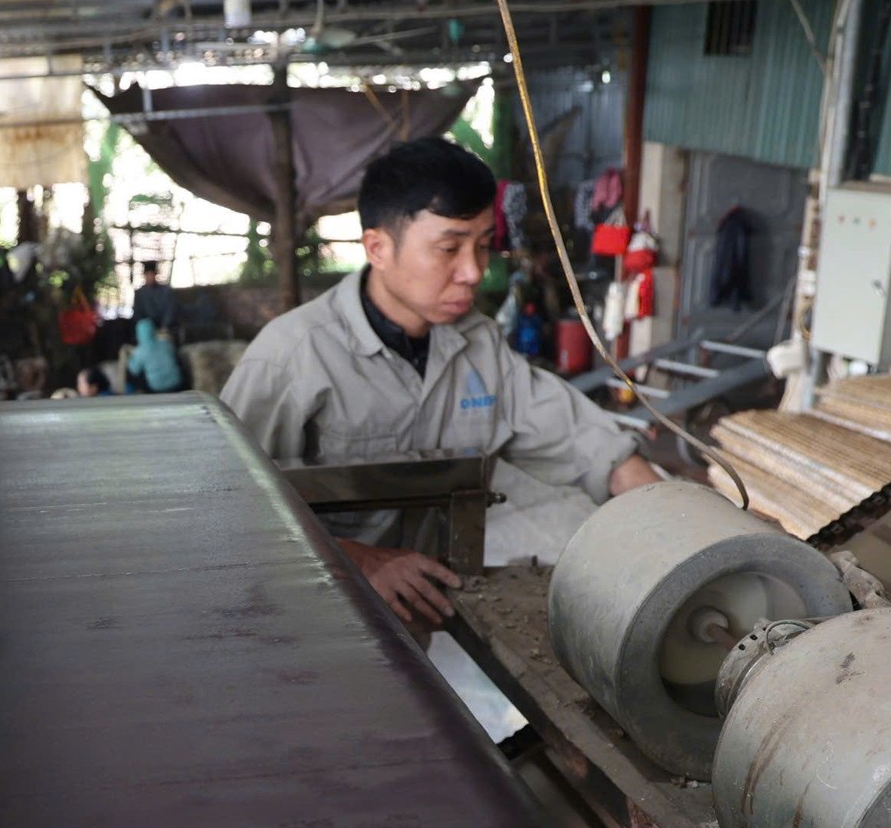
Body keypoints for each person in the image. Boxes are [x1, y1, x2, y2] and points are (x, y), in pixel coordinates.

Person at [220, 138, 660, 635]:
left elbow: (586, 443)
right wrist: (358, 560)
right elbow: (228, 505)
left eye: (482, 245)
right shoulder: (293, 356)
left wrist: (674, 523)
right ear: (378, 248)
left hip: (413, 618)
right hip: (306, 617)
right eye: (449, 248)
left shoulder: (477, 344)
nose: (473, 272)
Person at [125, 319, 184, 394]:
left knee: (134, 374)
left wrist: (129, 358)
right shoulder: (166, 343)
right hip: (177, 384)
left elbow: (134, 370)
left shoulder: (140, 351)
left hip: (157, 388)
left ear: (138, 334)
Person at [132, 260, 180, 335]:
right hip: (147, 329)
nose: (150, 277)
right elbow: (137, 314)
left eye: (152, 274)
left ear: (155, 275)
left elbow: (170, 310)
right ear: (144, 275)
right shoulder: (139, 293)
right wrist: (146, 327)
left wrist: (165, 326)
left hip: (165, 327)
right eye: (147, 274)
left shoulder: (165, 291)